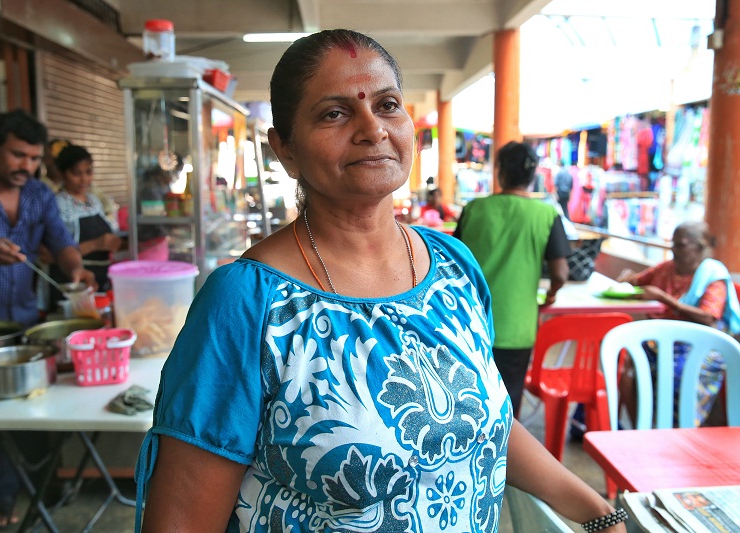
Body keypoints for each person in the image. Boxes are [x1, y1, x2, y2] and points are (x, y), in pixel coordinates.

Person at [135, 30, 625, 533]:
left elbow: (485, 423)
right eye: (334, 112)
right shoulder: (246, 303)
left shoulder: (453, 265)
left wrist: (597, 511)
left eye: (388, 104)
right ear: (285, 150)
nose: (372, 128)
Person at [0, 109, 96, 530]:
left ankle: (44, 480)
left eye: (33, 158)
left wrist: (75, 268)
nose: (25, 166)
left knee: (34, 409)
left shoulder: (39, 195)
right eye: (16, 155)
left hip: (26, 324)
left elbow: (60, 242)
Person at [454, 141, 571, 415]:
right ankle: (506, 458)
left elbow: (454, 261)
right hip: (517, 327)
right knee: (508, 407)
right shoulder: (546, 214)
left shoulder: (474, 209)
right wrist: (550, 295)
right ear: (533, 176)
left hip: (470, 323)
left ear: (500, 173)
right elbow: (560, 274)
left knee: (470, 402)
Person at [616, 221, 740, 426]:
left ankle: (679, 429)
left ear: (699, 248)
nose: (674, 249)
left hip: (700, 343)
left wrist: (665, 299)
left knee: (678, 375)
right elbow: (636, 281)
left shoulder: (711, 274)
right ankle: (641, 428)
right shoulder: (667, 268)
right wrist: (627, 279)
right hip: (662, 340)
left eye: (680, 245)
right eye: (673, 244)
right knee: (625, 366)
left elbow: (708, 317)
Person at [49, 144, 122, 307]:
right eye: (76, 173)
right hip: (71, 282)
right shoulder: (57, 204)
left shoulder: (93, 200)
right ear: (62, 173)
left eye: (88, 172)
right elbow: (48, 254)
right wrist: (96, 244)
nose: (84, 179)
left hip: (99, 280)